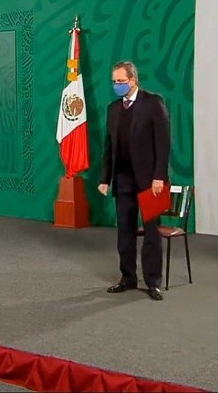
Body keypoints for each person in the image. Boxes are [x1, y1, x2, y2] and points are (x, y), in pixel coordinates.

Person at [98, 61, 170, 301]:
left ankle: (153, 282)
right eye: (114, 82)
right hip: (123, 180)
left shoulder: (153, 103)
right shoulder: (113, 109)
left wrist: (159, 177)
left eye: (121, 81)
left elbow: (163, 143)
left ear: (133, 80)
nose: (117, 85)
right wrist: (105, 178)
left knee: (151, 232)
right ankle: (128, 278)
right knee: (124, 232)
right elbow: (109, 147)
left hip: (151, 182)